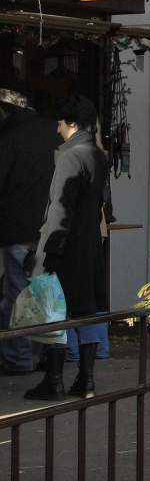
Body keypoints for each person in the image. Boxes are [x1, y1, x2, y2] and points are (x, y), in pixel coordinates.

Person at [27, 95, 109, 401]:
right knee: (85, 311)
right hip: (89, 244)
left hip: (66, 246)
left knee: (56, 312)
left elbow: (60, 207)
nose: (58, 129)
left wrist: (49, 251)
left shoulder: (70, 156)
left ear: (70, 123)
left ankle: (54, 379)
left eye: (60, 123)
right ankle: (86, 379)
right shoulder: (97, 154)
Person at [0, 88, 61, 375]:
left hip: (17, 227)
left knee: (17, 294)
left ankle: (19, 358)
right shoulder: (54, 131)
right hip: (53, 227)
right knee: (49, 292)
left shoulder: (8, 138)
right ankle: (53, 353)